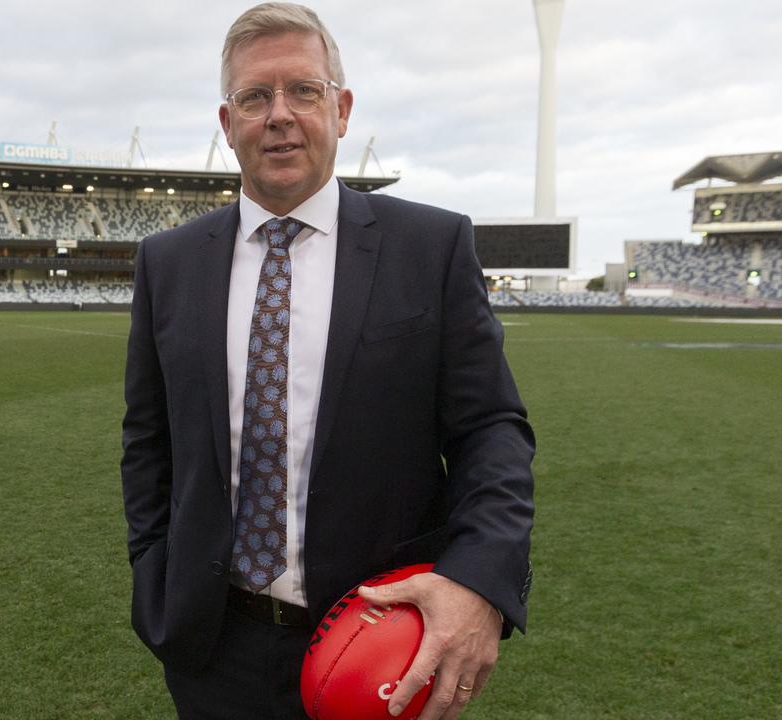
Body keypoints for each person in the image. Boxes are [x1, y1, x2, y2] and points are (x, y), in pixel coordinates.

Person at [120, 3, 535, 719]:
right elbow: (148, 441)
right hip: (213, 648)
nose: (279, 115)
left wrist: (478, 582)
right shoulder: (169, 262)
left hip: (383, 642)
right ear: (228, 125)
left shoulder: (429, 248)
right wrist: (154, 570)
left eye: (303, 91)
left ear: (341, 110)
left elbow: (491, 430)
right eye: (254, 96)